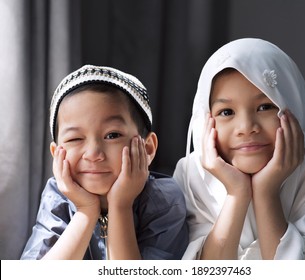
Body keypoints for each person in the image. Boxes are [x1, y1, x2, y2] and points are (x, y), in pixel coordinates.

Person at [173, 38, 305, 260]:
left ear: (294, 106)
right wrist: (236, 194)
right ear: (206, 120)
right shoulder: (193, 176)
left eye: (265, 107)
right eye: (226, 112)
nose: (246, 128)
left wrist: (266, 193)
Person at [21, 65, 188, 260]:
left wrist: (121, 205)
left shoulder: (164, 202)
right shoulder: (57, 197)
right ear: (56, 153)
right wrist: (85, 211)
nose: (93, 154)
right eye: (75, 138)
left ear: (148, 148)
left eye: (112, 135)